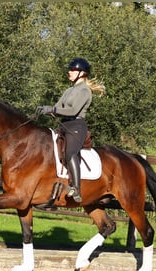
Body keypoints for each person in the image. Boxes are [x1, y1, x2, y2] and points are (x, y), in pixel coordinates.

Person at [37, 57, 105, 203]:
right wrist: (46, 109)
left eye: (73, 70)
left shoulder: (85, 91)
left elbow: (73, 110)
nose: (69, 72)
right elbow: (58, 106)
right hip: (63, 125)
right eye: (70, 69)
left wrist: (54, 109)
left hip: (76, 127)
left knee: (69, 152)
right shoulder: (69, 90)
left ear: (82, 73)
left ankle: (76, 187)